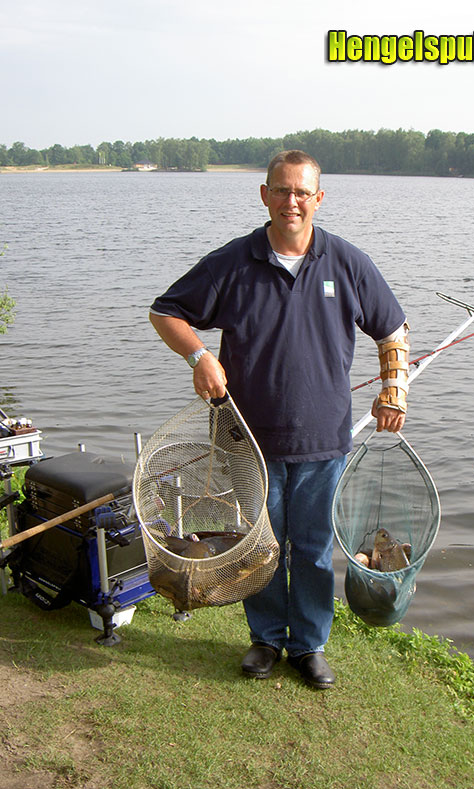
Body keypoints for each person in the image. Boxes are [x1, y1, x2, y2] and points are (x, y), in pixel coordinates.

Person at [149, 150, 409, 689]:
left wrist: (394, 392)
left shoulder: (347, 263)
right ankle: (265, 639)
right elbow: (165, 312)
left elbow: (393, 331)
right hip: (249, 439)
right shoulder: (232, 262)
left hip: (323, 441)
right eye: (282, 190)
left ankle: (309, 645)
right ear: (265, 195)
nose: (292, 201)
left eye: (302, 192)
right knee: (259, 545)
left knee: (313, 550)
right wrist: (200, 356)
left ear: (319, 198)